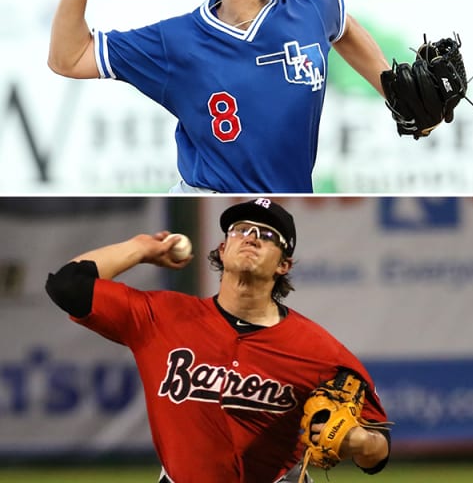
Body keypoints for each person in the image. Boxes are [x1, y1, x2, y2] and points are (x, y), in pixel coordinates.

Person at [48, 0, 397, 193]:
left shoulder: (312, 4)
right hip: (212, 201)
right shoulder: (179, 40)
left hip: (287, 200)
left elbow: (343, 24)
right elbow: (70, 58)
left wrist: (391, 87)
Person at [43, 197, 391, 482]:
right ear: (223, 249)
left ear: (284, 265)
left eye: (268, 235)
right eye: (241, 230)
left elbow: (379, 448)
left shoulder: (319, 351)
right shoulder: (160, 317)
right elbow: (67, 285)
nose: (251, 237)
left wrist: (362, 442)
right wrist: (139, 249)